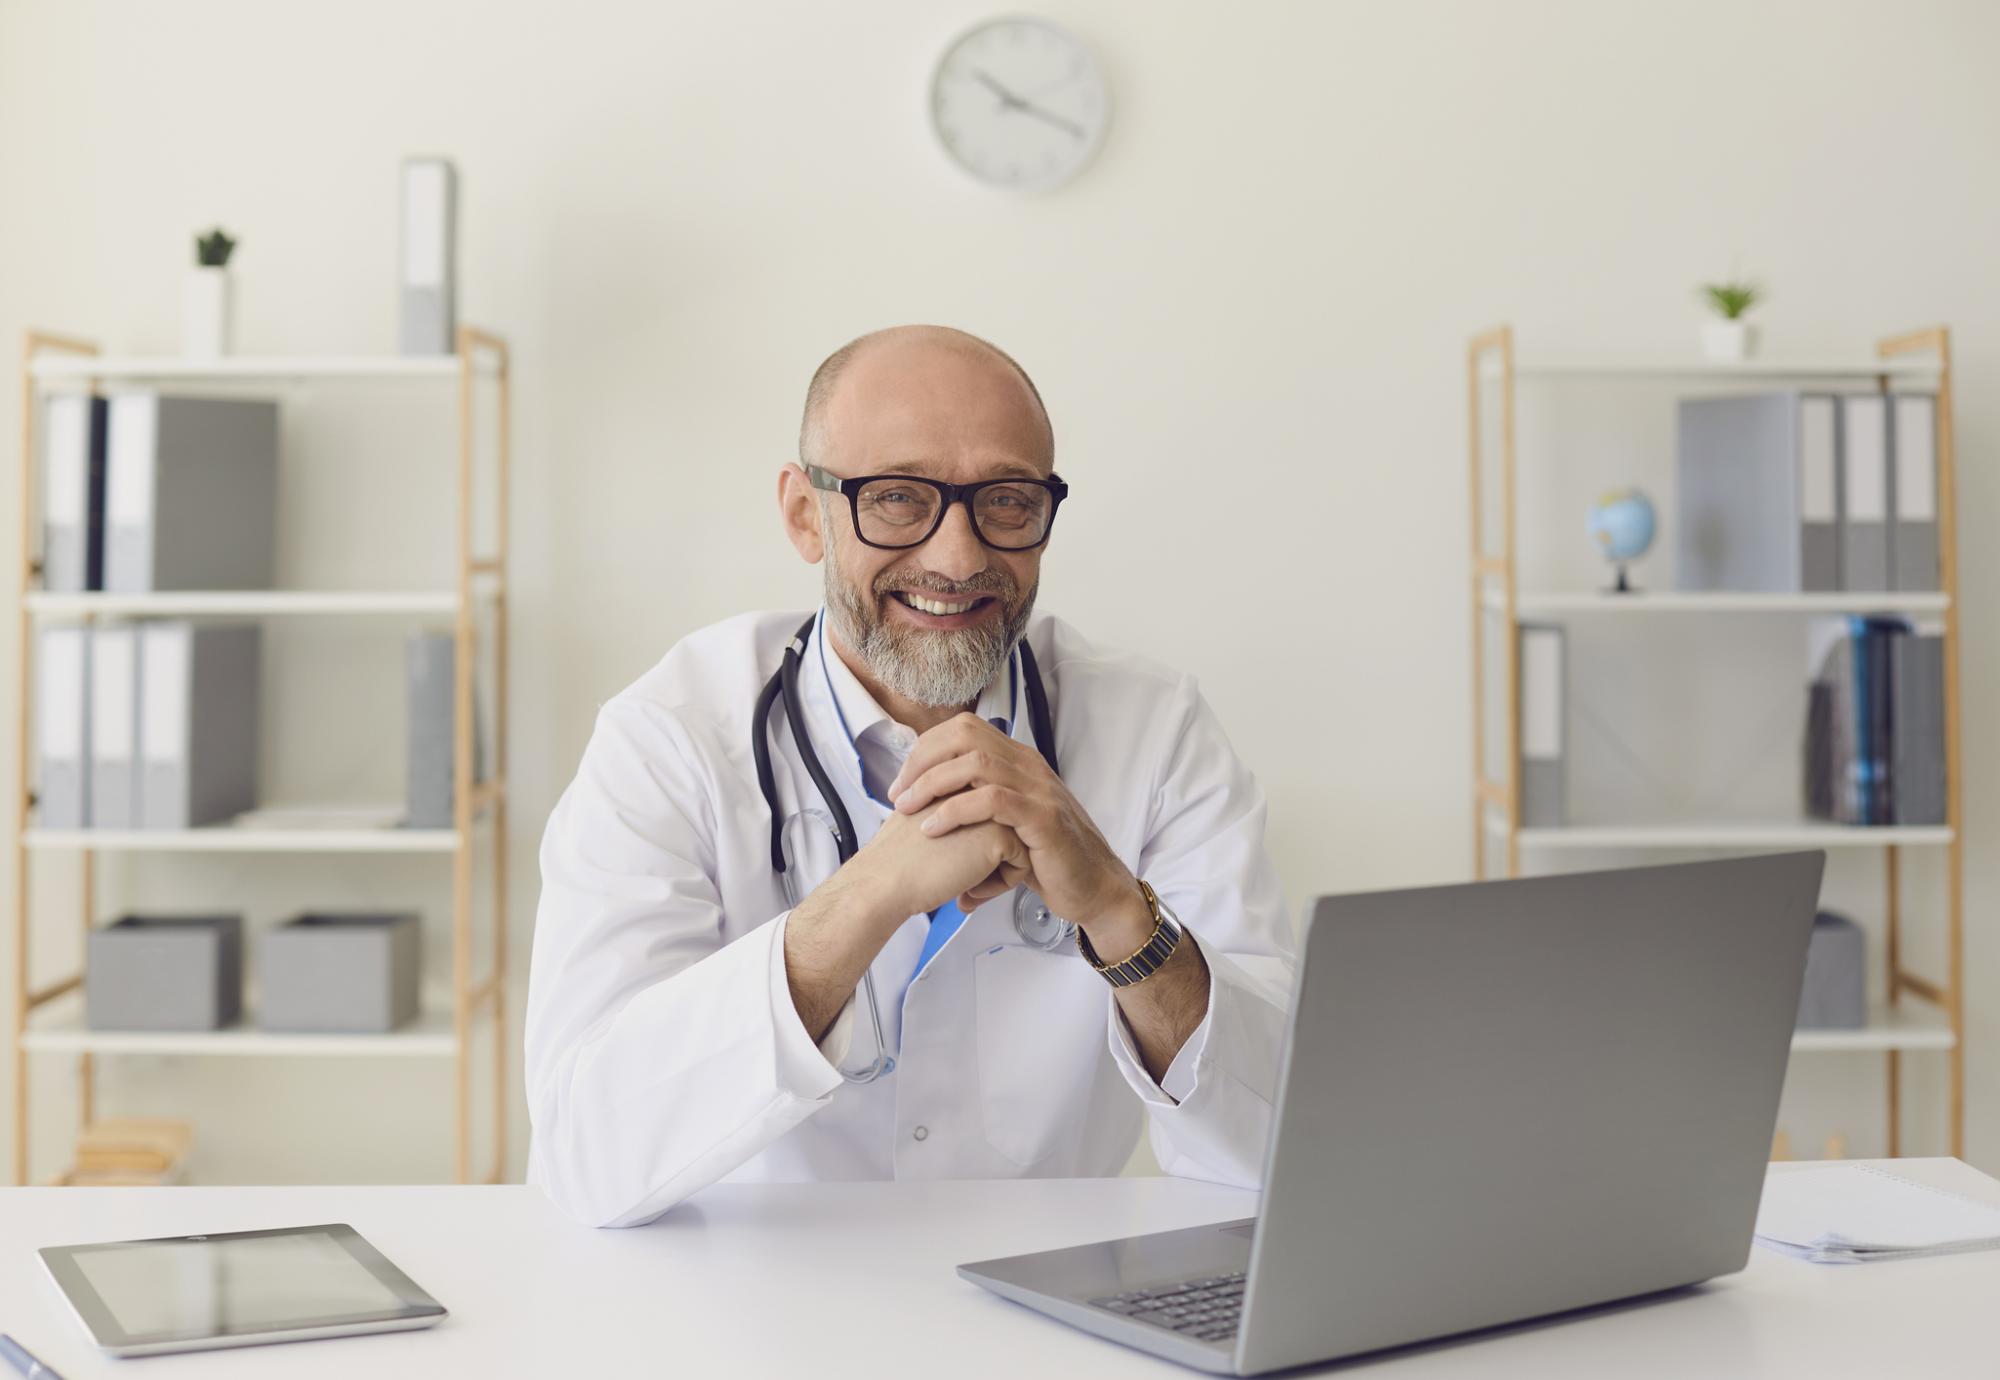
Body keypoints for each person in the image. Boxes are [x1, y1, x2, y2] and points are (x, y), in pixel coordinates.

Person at [525, 325, 1294, 1228]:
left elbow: (1276, 1137)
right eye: (897, 498)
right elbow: (585, 1153)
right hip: (747, 1309)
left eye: (1006, 502)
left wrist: (1122, 915)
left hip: (1044, 1300)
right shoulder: (671, 739)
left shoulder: (1155, 731)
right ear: (805, 514)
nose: (958, 556)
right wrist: (869, 897)